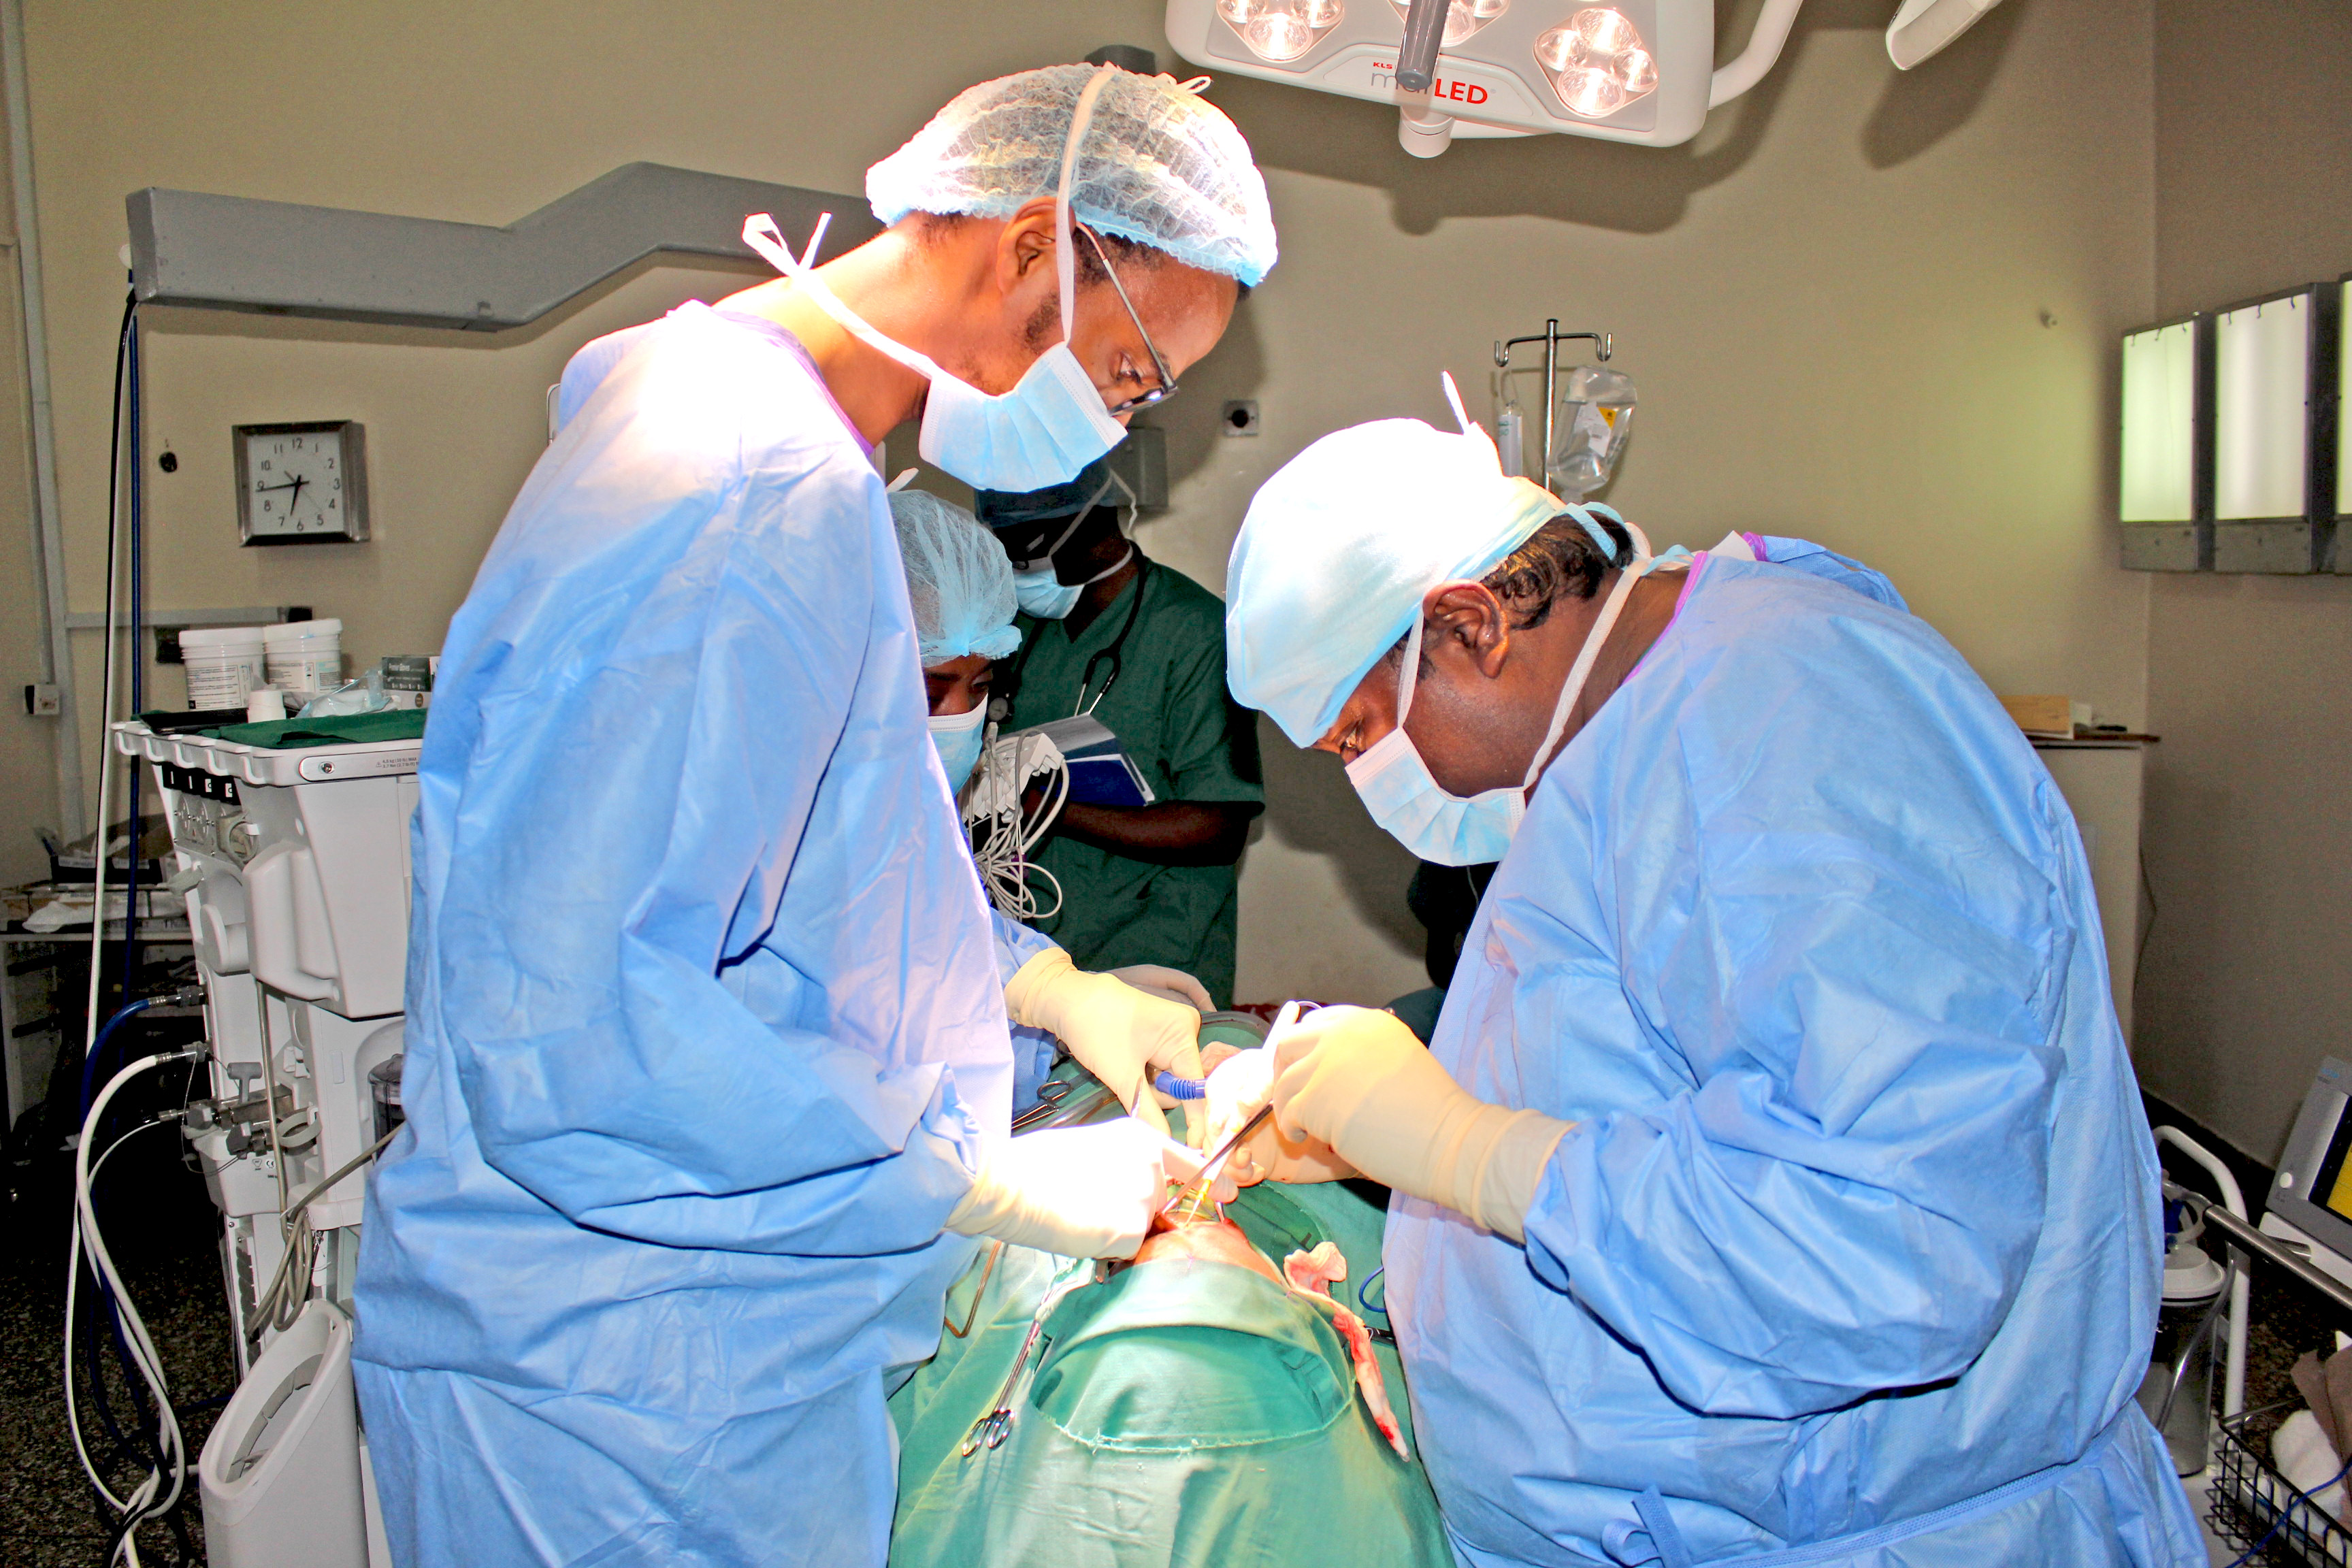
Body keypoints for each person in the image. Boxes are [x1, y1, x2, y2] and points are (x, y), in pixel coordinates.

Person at [354, 63, 1275, 1568]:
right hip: (620, 1391)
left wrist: (1045, 985)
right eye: (1130, 374)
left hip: (693, 1354)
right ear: (1034, 246)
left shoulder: (770, 460)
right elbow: (576, 1024)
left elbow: (812, 894)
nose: (1119, 423)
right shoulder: (735, 485)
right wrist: (968, 1176)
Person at [1203, 384, 2205, 1565]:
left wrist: (1465, 1150)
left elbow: (1885, 1244)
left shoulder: (1792, 714)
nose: (1372, 780)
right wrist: (1387, 1136)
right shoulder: (1639, 730)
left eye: (1361, 735)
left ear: (1471, 626)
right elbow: (1662, 1068)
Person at [892, 485, 1211, 1132]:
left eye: (981, 688)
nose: (960, 718)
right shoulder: (793, 813)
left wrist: (1057, 1000)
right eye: (930, 691)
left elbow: (944, 940)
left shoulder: (1186, 627)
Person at [972, 453, 1263, 1006]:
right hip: (1031, 956)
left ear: (1092, 519)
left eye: (1027, 547)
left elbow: (1219, 826)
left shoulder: (1194, 633)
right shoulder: (1020, 632)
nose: (1015, 565)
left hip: (1156, 951)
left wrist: (1047, 808)